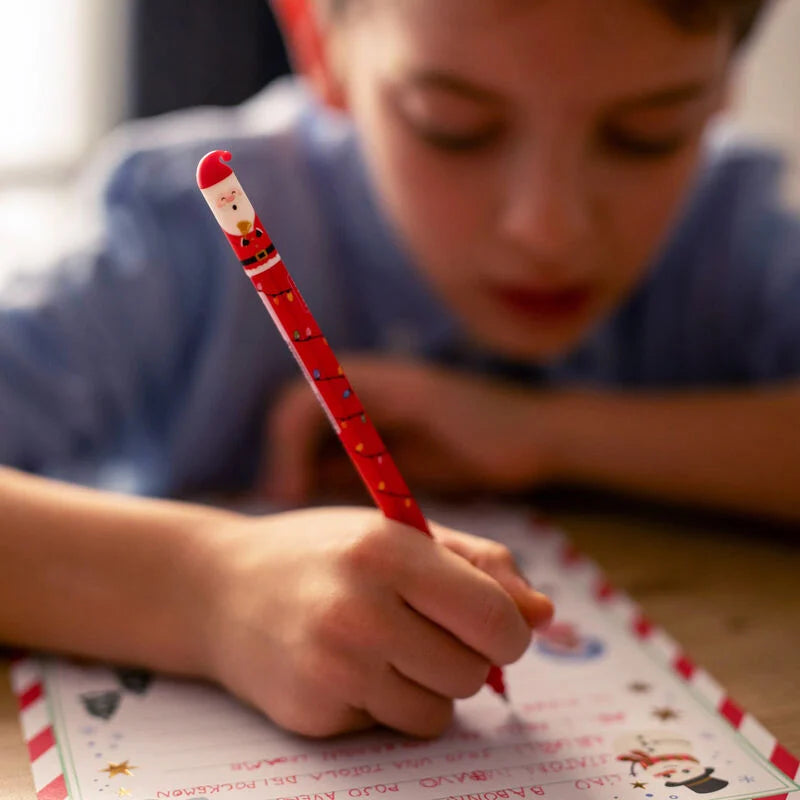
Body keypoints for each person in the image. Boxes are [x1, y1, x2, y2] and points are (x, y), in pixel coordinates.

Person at [0, 0, 796, 738]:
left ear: (726, 81)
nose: (547, 229)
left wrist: (543, 433)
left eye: (647, 132)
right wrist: (208, 590)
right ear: (323, 45)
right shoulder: (176, 245)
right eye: (454, 127)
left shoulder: (729, 239)